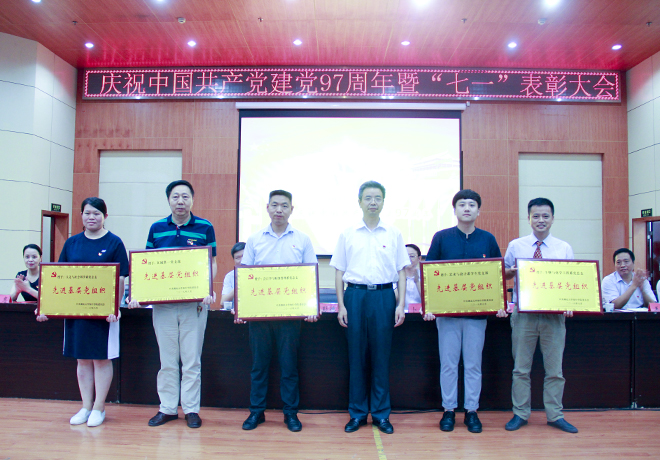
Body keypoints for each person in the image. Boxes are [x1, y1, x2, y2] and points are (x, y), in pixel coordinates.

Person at [128, 180, 217, 429]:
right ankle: (167, 408)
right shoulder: (156, 228)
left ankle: (191, 409)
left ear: (192, 200)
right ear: (168, 200)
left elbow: (211, 262)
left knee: (192, 361)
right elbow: (146, 265)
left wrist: (207, 288)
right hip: (163, 306)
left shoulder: (205, 227)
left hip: (194, 305)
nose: (180, 201)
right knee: (167, 361)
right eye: (176, 196)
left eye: (185, 197)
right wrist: (139, 293)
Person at [37, 197, 129, 427]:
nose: (91, 217)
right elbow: (59, 277)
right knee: (83, 360)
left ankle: (99, 407)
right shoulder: (72, 243)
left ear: (105, 217)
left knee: (101, 359)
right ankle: (86, 406)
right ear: (81, 216)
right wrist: (46, 306)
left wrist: (115, 307)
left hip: (104, 315)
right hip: (77, 312)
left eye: (96, 213)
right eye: (87, 213)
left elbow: (120, 279)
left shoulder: (115, 242)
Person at [330, 180, 409, 435]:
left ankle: (381, 414)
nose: (373, 202)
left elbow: (401, 272)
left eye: (377, 198)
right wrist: (341, 305)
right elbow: (339, 271)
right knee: (356, 357)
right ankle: (357, 413)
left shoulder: (393, 233)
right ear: (359, 202)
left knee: (381, 357)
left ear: (383, 202)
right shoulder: (348, 233)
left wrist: (401, 304)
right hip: (355, 296)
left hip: (384, 297)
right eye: (368, 198)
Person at [237, 190, 318, 432]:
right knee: (259, 366)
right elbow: (245, 277)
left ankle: (290, 413)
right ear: (267, 208)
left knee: (289, 366)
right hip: (260, 315)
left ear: (292, 209)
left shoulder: (302, 239)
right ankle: (256, 412)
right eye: (274, 205)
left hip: (290, 316)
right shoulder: (255, 239)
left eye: (284, 205)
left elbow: (310, 274)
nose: (279, 210)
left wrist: (311, 307)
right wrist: (242, 309)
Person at [422, 189, 501, 433]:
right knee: (448, 364)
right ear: (455, 209)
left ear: (479, 210)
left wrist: (499, 304)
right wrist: (430, 306)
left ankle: (471, 411)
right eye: (462, 204)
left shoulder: (488, 239)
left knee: (473, 364)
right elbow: (430, 273)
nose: (467, 208)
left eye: (472, 204)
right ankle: (448, 410)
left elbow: (496, 274)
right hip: (447, 316)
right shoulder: (442, 238)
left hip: (476, 316)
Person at [497, 197, 578, 434]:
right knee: (521, 369)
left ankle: (555, 415)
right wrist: (510, 272)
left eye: (545, 216)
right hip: (524, 315)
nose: (540, 220)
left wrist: (570, 303)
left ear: (552, 218)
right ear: (529, 218)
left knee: (555, 371)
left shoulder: (563, 247)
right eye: (536, 216)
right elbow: (503, 274)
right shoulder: (516, 245)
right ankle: (520, 413)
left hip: (554, 316)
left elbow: (571, 279)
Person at [395, 244, 422, 312]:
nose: (408, 259)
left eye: (412, 256)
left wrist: (417, 282)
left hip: (421, 314)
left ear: (419, 258)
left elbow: (429, 301)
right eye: (406, 256)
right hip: (401, 314)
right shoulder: (395, 277)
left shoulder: (424, 275)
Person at [219, 242, 245, 307]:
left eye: (244, 256)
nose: (241, 261)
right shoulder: (230, 276)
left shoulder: (257, 273)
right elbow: (223, 302)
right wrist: (238, 285)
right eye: (237, 258)